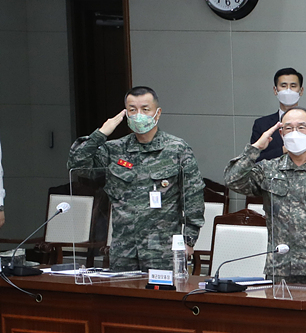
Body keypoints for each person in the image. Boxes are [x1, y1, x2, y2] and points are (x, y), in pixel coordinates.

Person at [67, 86, 205, 271]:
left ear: (158, 113)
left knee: (162, 299)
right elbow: (77, 166)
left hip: (162, 250)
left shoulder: (177, 149)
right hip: (124, 249)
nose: (138, 115)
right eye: (132, 110)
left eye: (145, 109)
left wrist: (189, 241)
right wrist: (101, 134)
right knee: (125, 298)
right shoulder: (113, 150)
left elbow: (193, 196)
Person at [224, 107, 306, 285]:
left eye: (302, 127)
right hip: (280, 268)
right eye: (288, 128)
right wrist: (256, 148)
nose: (295, 133)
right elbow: (233, 180)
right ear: (281, 133)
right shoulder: (269, 169)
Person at [249, 68, 306, 160]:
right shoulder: (262, 124)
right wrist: (283, 150)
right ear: (275, 90)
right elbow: (253, 160)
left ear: (301, 90)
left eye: (293, 86)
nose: (288, 90)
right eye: (283, 86)